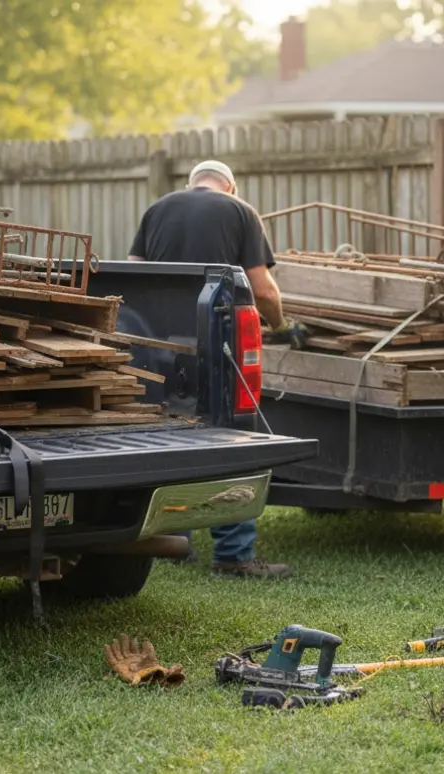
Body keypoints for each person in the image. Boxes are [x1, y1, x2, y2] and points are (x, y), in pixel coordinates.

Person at [126, 160, 306, 579]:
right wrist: (282, 325)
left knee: (172, 439)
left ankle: (177, 541)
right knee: (233, 439)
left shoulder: (157, 209)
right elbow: (261, 289)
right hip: (219, 345)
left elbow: (133, 272)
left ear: (192, 184)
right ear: (230, 186)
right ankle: (233, 556)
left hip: (161, 348)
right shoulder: (239, 211)